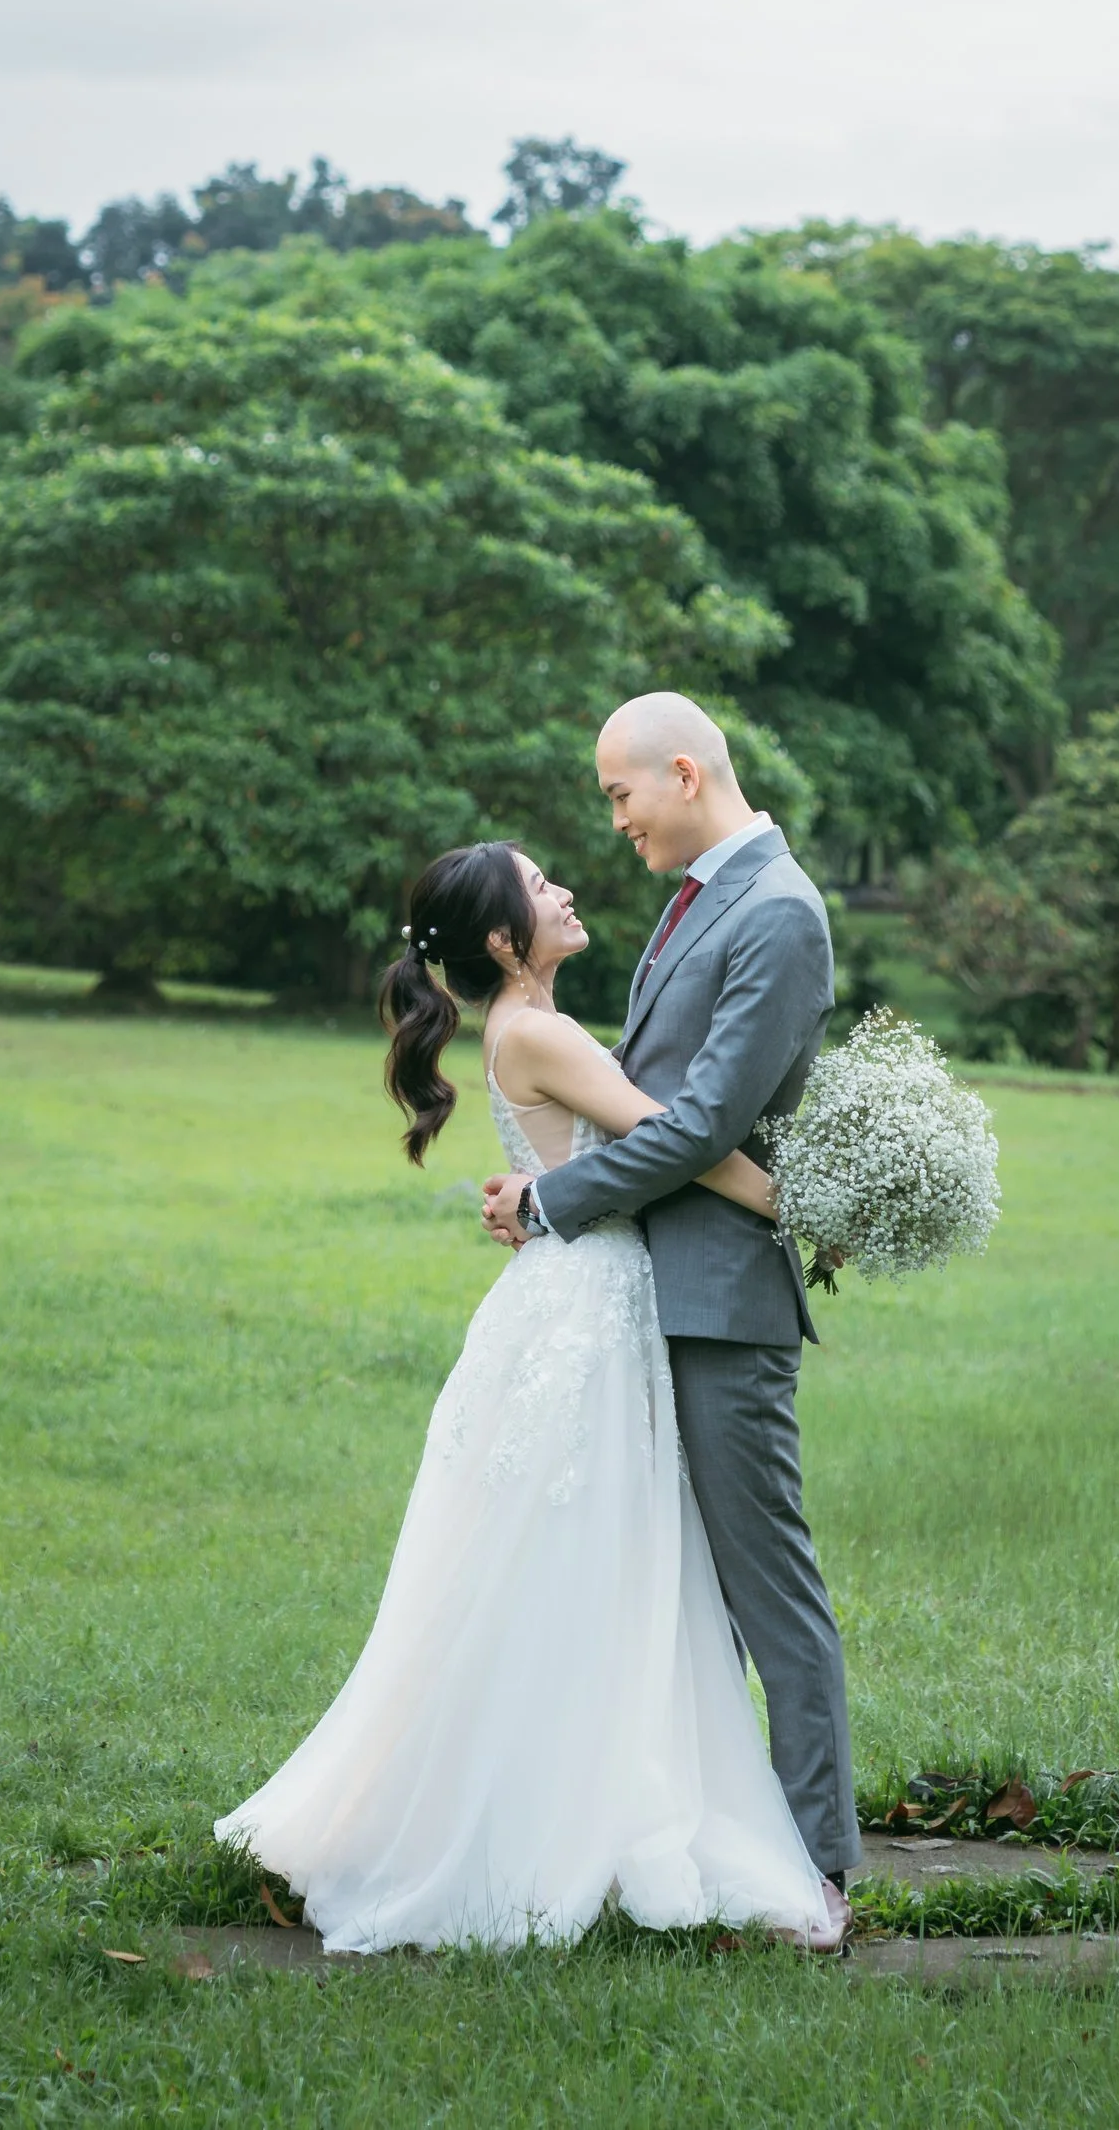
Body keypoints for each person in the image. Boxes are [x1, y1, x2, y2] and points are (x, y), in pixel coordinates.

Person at [214, 826, 830, 1952]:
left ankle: (556, 1798)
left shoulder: (520, 1025)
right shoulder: (534, 1030)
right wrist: (810, 1205)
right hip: (586, 1312)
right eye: (545, 888)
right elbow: (678, 1138)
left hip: (572, 1298)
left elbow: (591, 1151)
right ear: (505, 940)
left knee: (556, 1563)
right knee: (581, 1562)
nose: (569, 888)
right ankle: (547, 1827)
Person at [485, 693, 859, 1944]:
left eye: (618, 792)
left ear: (683, 772)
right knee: (676, 1600)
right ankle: (692, 1834)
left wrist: (550, 1203)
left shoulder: (777, 914)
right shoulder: (699, 895)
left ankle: (816, 1866)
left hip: (717, 1304)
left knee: (766, 1591)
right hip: (651, 1294)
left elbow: (698, 1123)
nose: (616, 819)